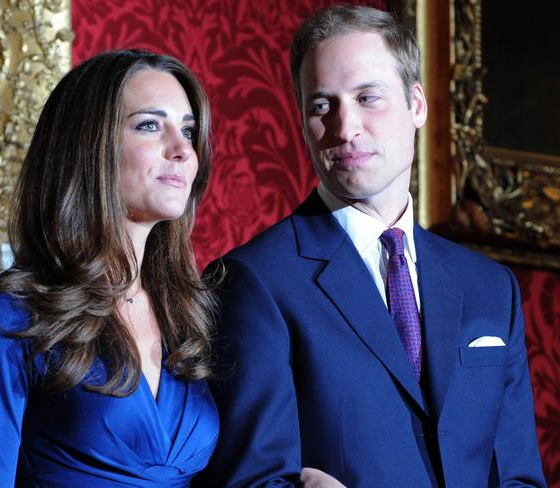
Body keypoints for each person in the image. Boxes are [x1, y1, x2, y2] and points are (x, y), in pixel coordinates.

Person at [194, 5, 546, 488]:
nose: (345, 128)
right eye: (322, 105)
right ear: (301, 123)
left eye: (367, 97)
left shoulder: (490, 286)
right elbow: (251, 481)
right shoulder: (253, 283)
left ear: (416, 104)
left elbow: (520, 479)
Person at [0, 49, 219, 487]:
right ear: (89, 146)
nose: (183, 150)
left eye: (188, 131)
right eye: (150, 125)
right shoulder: (8, 313)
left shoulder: (192, 309)